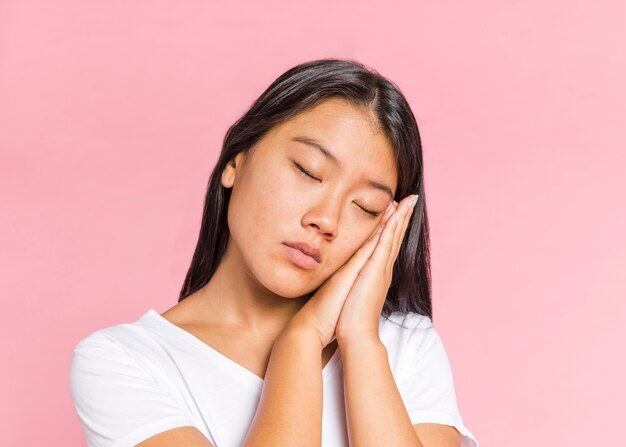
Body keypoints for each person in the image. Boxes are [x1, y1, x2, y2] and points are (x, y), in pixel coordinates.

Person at [69, 58, 479, 447]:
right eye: (307, 170)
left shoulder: (403, 345)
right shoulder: (124, 362)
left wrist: (350, 339)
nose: (327, 219)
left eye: (365, 207)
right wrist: (301, 343)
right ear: (237, 159)